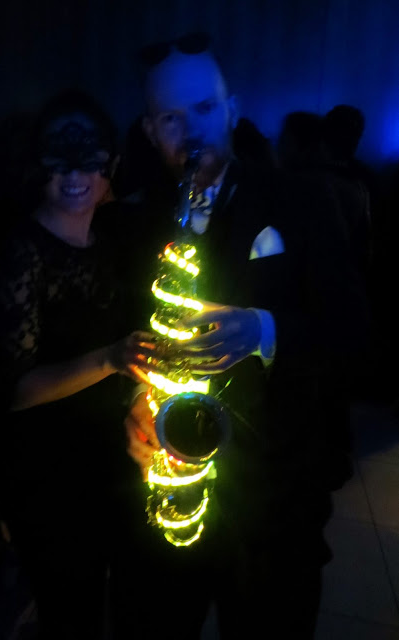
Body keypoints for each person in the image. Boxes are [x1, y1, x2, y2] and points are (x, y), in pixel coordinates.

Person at [108, 34, 370, 639]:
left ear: (231, 108)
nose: (190, 130)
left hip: (276, 501)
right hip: (167, 493)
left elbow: (357, 337)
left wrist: (263, 330)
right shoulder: (134, 218)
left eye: (204, 107)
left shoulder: (305, 199)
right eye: (171, 118)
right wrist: (136, 402)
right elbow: (124, 336)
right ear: (150, 130)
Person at [0, 88, 150, 639]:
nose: (75, 174)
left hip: (110, 454)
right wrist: (109, 358)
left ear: (110, 164)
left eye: (89, 158)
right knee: (70, 603)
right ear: (37, 163)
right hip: (47, 467)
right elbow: (15, 389)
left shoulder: (109, 239)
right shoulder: (22, 252)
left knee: (107, 591)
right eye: (60, 158)